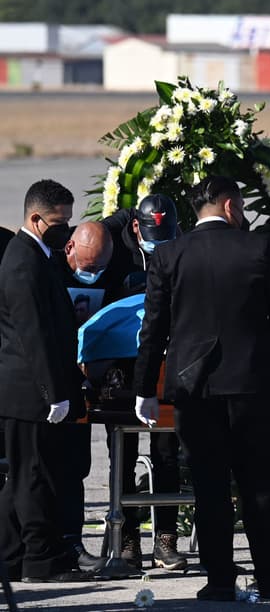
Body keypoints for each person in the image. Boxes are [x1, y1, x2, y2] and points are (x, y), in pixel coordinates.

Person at [134, 176, 270, 601]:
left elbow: (153, 329)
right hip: (250, 384)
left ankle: (219, 581)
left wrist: (145, 389)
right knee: (261, 486)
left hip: (194, 389)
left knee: (209, 488)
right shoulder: (258, 248)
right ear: (230, 206)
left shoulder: (169, 254)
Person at [0, 180, 93, 583]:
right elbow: (32, 335)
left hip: (32, 389)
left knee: (24, 477)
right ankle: (40, 562)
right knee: (34, 479)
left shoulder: (37, 255)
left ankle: (9, 556)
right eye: (59, 223)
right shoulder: (23, 261)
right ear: (36, 219)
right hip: (30, 392)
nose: (66, 230)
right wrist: (52, 393)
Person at [100, 194, 187, 571]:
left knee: (167, 453)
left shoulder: (181, 247)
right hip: (123, 367)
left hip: (167, 365)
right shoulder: (115, 252)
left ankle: (166, 538)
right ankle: (127, 538)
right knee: (122, 455)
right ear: (136, 227)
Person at [52, 221, 114, 573]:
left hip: (82, 381)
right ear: (70, 248)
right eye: (89, 266)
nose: (94, 273)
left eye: (100, 267)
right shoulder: (48, 268)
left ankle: (72, 542)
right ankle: (45, 544)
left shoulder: (111, 271)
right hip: (48, 381)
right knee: (44, 468)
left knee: (76, 466)